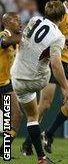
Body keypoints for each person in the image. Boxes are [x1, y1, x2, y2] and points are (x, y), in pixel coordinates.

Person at [22, 0, 68, 156]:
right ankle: (28, 142)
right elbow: (51, 32)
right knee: (44, 105)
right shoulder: (60, 12)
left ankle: (48, 134)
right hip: (53, 61)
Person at [11, 0, 68, 164]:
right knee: (35, 112)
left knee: (32, 116)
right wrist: (66, 88)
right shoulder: (58, 36)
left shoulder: (34, 20)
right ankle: (40, 157)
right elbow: (56, 64)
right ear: (63, 16)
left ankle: (40, 157)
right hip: (36, 80)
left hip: (16, 76)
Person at [0, 12, 23, 158]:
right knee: (14, 115)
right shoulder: (3, 34)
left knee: (15, 115)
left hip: (5, 84)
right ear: (7, 22)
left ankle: (4, 150)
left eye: (20, 20)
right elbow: (4, 42)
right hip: (1, 84)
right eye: (16, 20)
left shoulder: (16, 40)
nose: (19, 22)